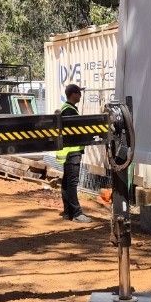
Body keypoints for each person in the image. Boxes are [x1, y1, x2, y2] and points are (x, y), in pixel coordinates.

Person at [57, 82, 93, 223]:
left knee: (67, 183)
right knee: (72, 183)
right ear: (73, 94)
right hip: (72, 153)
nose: (80, 95)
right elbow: (76, 132)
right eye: (79, 93)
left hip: (68, 153)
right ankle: (77, 213)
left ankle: (68, 213)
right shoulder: (69, 111)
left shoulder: (68, 108)